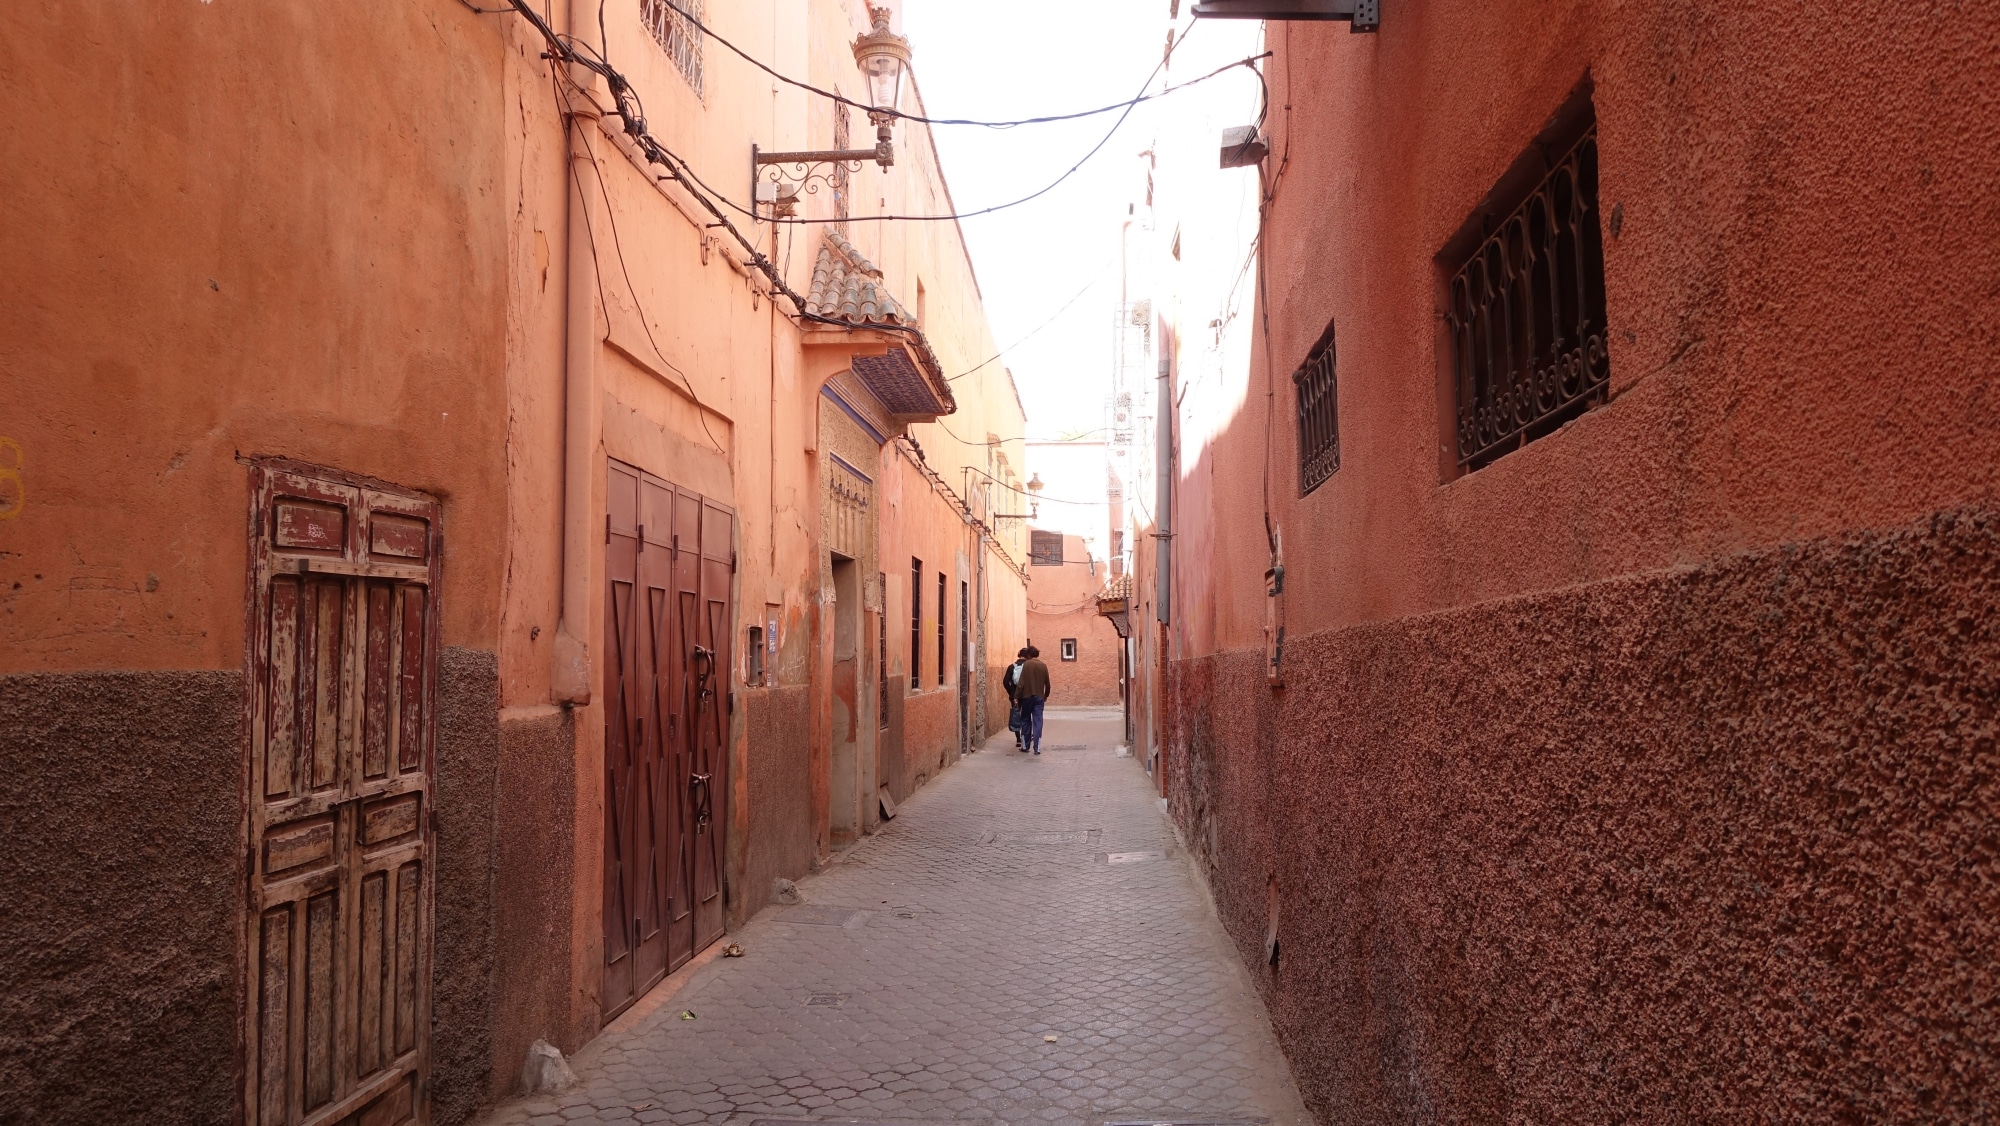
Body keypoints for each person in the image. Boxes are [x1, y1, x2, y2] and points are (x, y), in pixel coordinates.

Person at [1013, 645, 1052, 754]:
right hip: (1039, 698)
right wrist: (1046, 695)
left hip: (1027, 697)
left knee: (1025, 720)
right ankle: (1037, 748)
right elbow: (1048, 684)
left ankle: (1025, 746)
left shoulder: (1026, 665)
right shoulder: (1043, 666)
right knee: (1038, 721)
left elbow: (1021, 683)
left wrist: (1016, 696)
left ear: (1028, 655)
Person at [1002, 648, 1029, 750]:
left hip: (1014, 696)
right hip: (1026, 695)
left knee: (1016, 715)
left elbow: (1005, 682)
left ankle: (1018, 739)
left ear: (1019, 655)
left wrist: (1011, 693)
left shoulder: (1011, 667)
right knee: (1026, 716)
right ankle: (1024, 737)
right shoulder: (1029, 667)